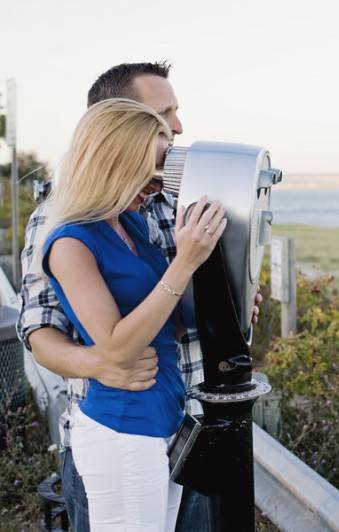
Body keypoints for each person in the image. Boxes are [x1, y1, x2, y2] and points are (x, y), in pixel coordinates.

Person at [16, 62, 257, 530]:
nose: (178, 128)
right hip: (126, 425)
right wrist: (102, 362)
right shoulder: (63, 223)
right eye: (163, 115)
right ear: (118, 130)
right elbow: (42, 330)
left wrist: (230, 308)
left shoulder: (147, 208)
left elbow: (170, 308)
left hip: (185, 424)